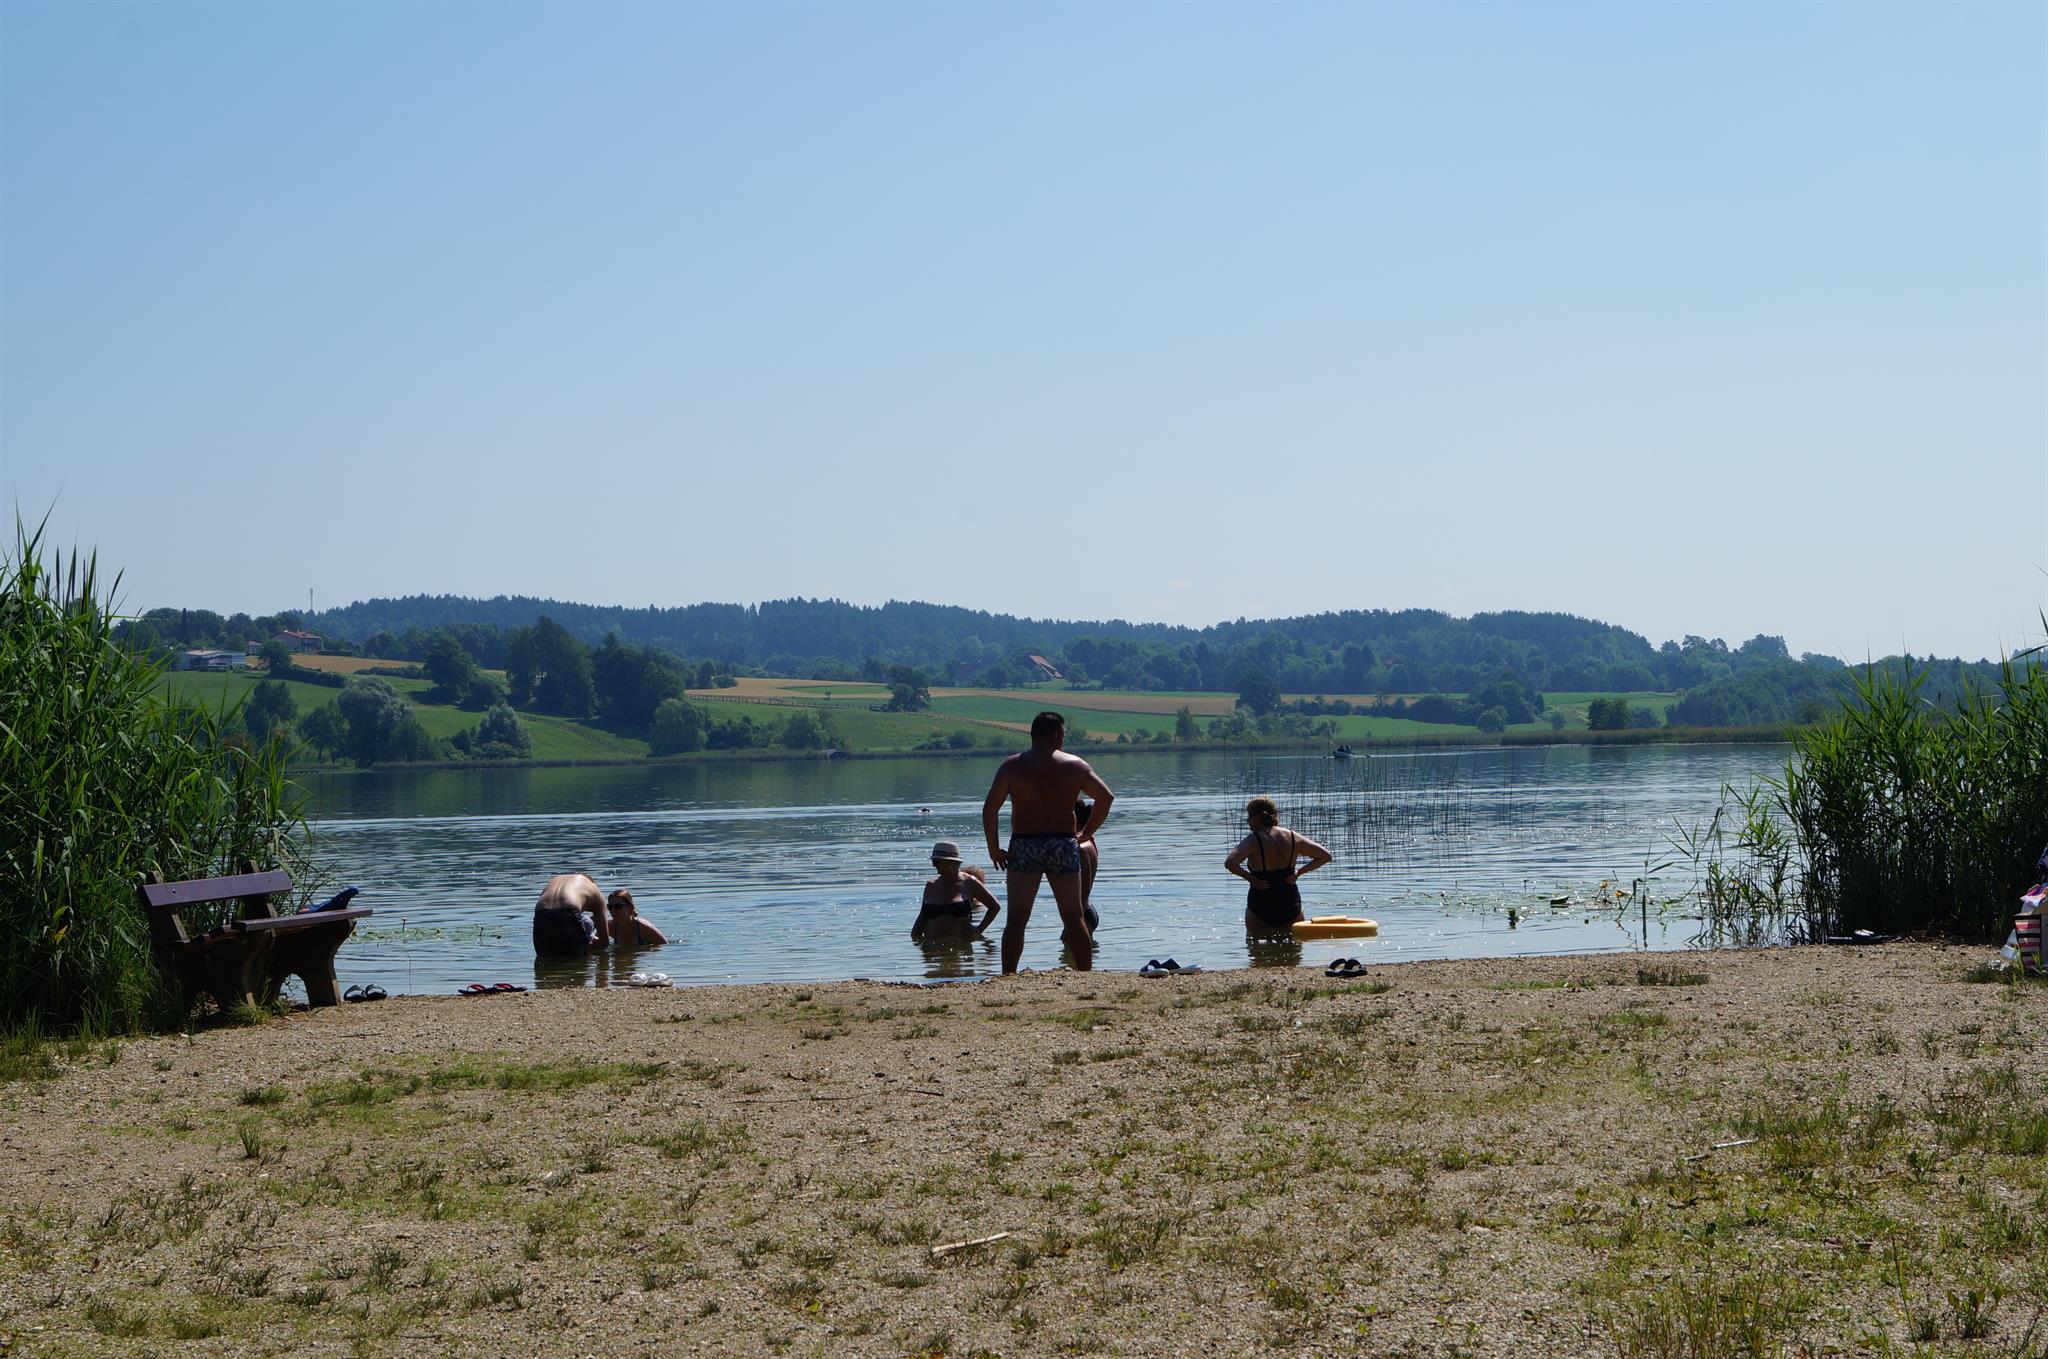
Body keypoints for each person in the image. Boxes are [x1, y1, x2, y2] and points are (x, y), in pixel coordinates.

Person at [982, 712, 1114, 972]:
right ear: (1055, 735)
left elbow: (990, 809)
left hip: (1025, 845)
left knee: (1016, 920)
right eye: (1063, 734)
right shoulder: (1075, 766)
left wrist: (993, 848)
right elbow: (1106, 797)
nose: (1063, 739)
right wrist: (1087, 833)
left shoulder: (1012, 766)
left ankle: (1008, 975)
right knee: (1074, 917)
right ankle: (1086, 975)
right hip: (1062, 843)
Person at [1224, 797, 1333, 935]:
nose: (1248, 821)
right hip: (1290, 904)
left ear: (1259, 817)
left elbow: (1230, 863)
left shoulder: (1253, 840)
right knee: (1293, 946)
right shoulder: (1292, 836)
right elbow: (1326, 856)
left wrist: (1252, 879)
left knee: (1256, 945)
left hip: (1260, 904)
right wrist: (1299, 872)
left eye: (1249, 817)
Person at [911, 841, 1001, 943]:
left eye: (936, 861)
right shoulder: (931, 885)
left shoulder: (969, 882)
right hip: (931, 947)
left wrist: (978, 931)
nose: (933, 865)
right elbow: (922, 917)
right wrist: (915, 940)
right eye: (933, 861)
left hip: (960, 947)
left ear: (951, 862)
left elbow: (994, 907)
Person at [533, 873, 611, 957]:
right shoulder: (595, 890)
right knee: (577, 962)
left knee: (544, 959)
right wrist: (589, 947)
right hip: (568, 913)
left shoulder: (553, 882)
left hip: (541, 914)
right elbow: (604, 943)